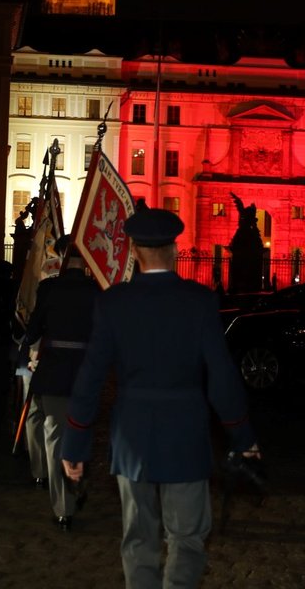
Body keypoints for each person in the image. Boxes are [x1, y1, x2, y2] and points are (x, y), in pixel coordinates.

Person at [62, 207, 260, 588]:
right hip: (185, 433)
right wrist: (243, 435)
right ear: (174, 247)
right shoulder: (199, 300)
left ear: (134, 250)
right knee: (187, 538)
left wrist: (75, 442)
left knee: (138, 538)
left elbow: (90, 378)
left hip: (132, 436)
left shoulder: (113, 302)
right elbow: (221, 375)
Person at [21, 234, 100, 531]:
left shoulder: (49, 288)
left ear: (64, 256)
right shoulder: (96, 290)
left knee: (55, 439)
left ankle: (63, 508)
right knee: (81, 436)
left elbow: (33, 329)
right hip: (85, 373)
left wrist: (27, 341)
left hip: (54, 371)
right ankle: (78, 485)